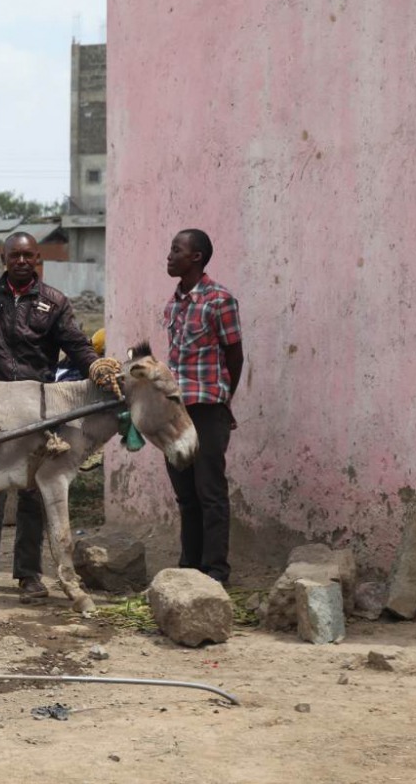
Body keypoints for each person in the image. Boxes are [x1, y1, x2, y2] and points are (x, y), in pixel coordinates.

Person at [0, 232, 121, 602]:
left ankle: (29, 577)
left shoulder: (54, 302)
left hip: (38, 411)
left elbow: (77, 346)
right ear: (4, 258)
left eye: (28, 255)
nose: (22, 261)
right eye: (15, 255)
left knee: (33, 494)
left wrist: (98, 368)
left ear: (38, 258)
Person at [163, 228, 243, 585]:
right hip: (176, 412)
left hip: (208, 408)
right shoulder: (174, 304)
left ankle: (216, 571)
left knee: (210, 491)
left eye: (176, 250)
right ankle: (189, 567)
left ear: (195, 257)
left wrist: (225, 399)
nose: (169, 255)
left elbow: (234, 355)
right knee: (185, 494)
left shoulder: (219, 300)